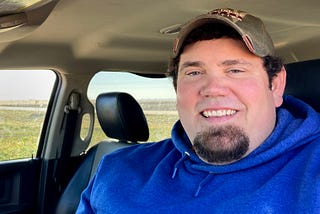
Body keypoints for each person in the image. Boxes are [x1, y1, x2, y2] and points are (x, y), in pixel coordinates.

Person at [76, 8, 320, 213]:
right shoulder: (117, 171)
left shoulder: (311, 174)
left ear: (275, 85)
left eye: (235, 70)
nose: (213, 90)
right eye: (194, 73)